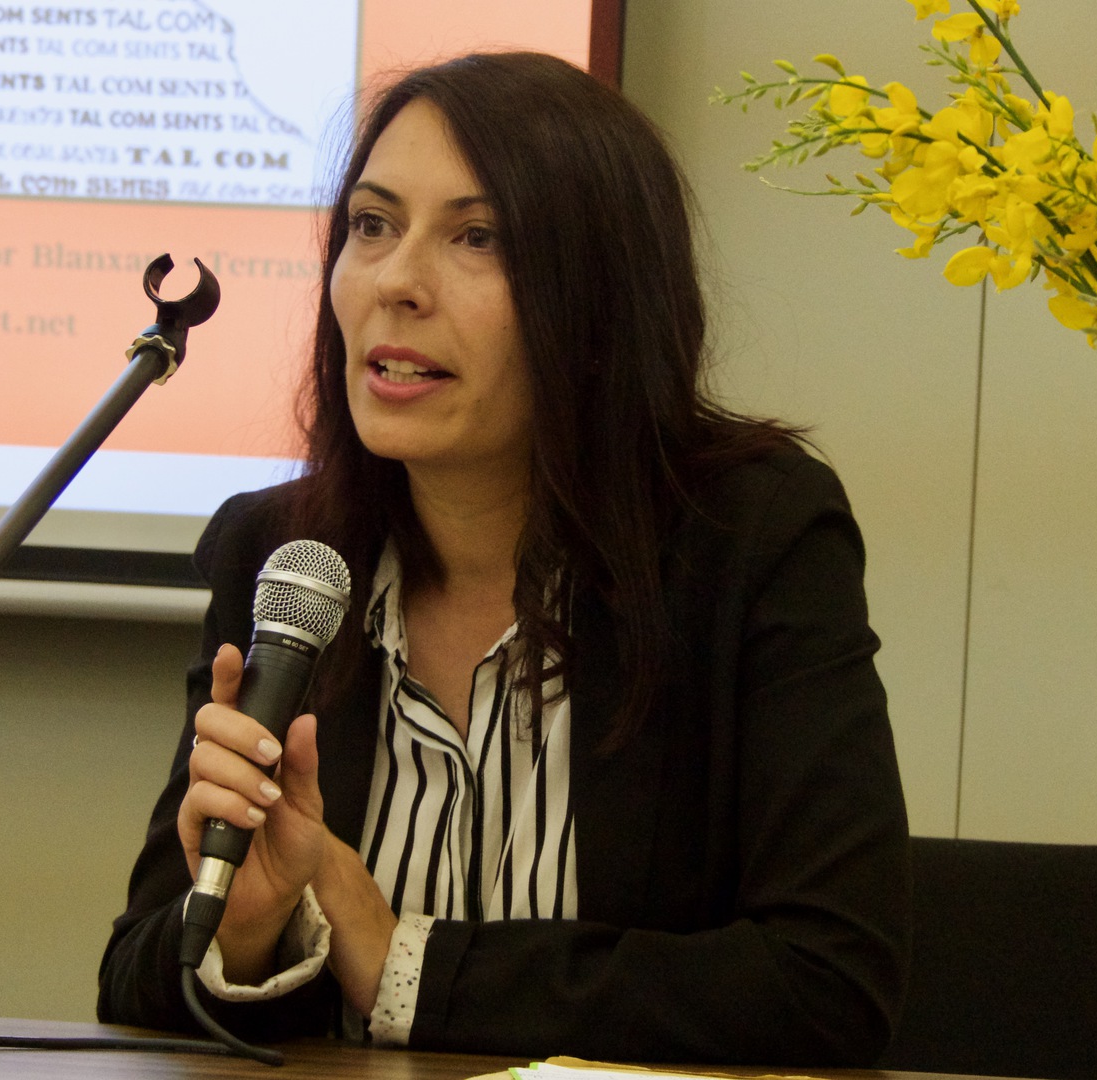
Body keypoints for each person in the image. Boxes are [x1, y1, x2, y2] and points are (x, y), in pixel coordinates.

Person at [98, 51, 910, 1066]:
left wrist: (400, 960)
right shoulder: (284, 555)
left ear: (601, 300)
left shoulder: (751, 541)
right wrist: (249, 927)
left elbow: (829, 984)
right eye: (371, 226)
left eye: (476, 238)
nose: (396, 283)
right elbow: (135, 979)